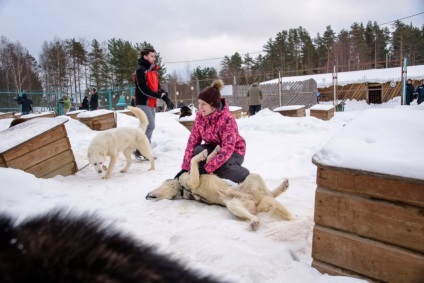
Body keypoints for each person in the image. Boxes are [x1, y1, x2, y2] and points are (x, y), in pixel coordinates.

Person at [175, 79, 250, 184]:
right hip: (215, 149)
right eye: (199, 103)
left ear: (213, 105)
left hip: (234, 152)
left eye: (203, 104)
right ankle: (204, 176)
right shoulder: (200, 117)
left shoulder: (227, 119)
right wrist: (186, 168)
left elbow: (228, 148)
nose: (200, 108)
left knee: (221, 167)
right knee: (197, 151)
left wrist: (207, 168)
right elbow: (192, 142)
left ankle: (244, 175)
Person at [133, 47, 175, 160]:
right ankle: (141, 150)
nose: (153, 58)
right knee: (150, 125)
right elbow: (143, 89)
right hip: (143, 102)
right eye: (151, 56)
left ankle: (143, 150)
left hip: (151, 103)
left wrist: (164, 95)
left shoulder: (153, 71)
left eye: (154, 56)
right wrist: (159, 96)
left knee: (149, 127)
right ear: (145, 57)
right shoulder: (140, 70)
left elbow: (156, 88)